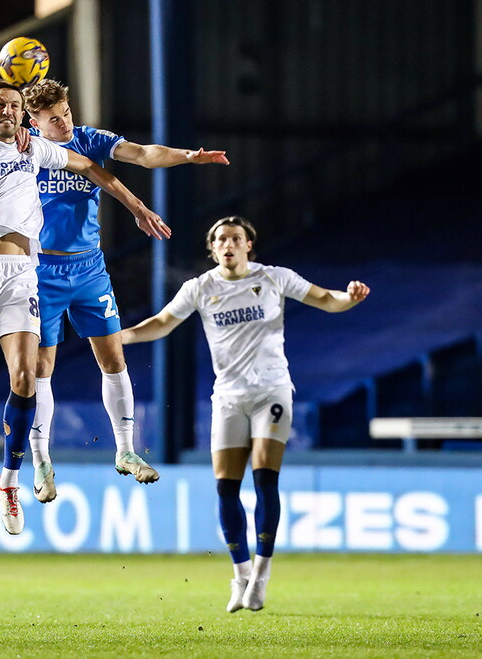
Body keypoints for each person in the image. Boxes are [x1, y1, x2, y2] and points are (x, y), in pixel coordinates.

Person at [0, 78, 166, 535]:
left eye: (16, 106)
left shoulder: (35, 149)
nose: (9, 112)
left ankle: (10, 480)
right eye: (1, 105)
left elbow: (89, 167)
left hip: (21, 275)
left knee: (27, 376)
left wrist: (135, 206)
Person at [120, 216, 370, 613]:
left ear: (249, 245)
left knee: (265, 477)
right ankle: (240, 576)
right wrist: (121, 336)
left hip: (271, 390)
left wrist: (348, 297)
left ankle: (262, 576)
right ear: (213, 248)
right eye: (221, 239)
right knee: (226, 488)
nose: (229, 244)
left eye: (236, 238)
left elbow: (325, 299)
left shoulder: (274, 278)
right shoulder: (201, 288)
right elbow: (163, 323)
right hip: (229, 398)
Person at [21, 79, 230, 502]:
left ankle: (126, 451)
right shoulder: (25, 151)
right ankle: (41, 462)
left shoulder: (90, 140)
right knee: (42, 367)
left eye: (67, 114)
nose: (64, 123)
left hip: (89, 268)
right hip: (42, 270)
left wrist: (188, 156)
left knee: (113, 358)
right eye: (54, 119)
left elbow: (142, 154)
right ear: (34, 122)